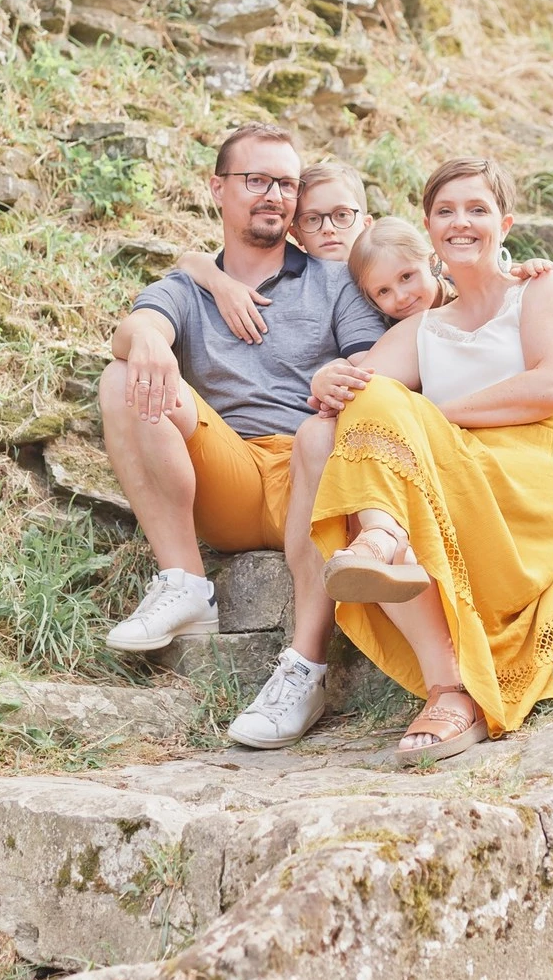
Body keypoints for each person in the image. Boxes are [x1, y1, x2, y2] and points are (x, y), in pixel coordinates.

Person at [307, 155, 553, 766]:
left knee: (398, 440)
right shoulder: (425, 328)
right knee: (369, 404)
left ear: (505, 221)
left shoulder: (543, 289)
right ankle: (444, 679)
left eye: (477, 209)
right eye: (446, 211)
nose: (462, 222)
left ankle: (387, 543)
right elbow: (355, 391)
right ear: (429, 228)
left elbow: (551, 387)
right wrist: (326, 375)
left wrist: (435, 419)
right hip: (469, 467)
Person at [98, 124, 386, 758]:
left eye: (284, 182)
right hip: (227, 471)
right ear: (218, 189)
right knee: (123, 375)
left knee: (326, 429)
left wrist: (339, 377)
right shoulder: (190, 286)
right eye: (256, 179)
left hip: (310, 470)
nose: (272, 194)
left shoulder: (335, 281)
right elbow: (142, 320)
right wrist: (147, 337)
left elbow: (376, 366)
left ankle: (303, 674)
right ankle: (184, 583)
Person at [176, 163, 372, 343]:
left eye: (342, 215)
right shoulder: (297, 281)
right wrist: (220, 283)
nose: (328, 228)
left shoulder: (387, 262)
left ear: (367, 225)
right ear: (297, 235)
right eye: (312, 219)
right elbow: (189, 260)